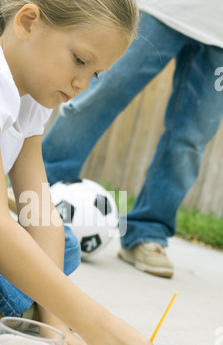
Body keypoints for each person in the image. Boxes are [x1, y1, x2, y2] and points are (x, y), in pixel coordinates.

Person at [0, 0, 165, 345]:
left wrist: (57, 331)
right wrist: (97, 324)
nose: (82, 85)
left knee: (61, 242)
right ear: (28, 22)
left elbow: (39, 214)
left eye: (96, 75)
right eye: (79, 60)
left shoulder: (31, 101)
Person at [42, 0, 223, 279]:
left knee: (192, 138)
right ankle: (39, 196)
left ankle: (147, 232)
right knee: (99, 97)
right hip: (161, 9)